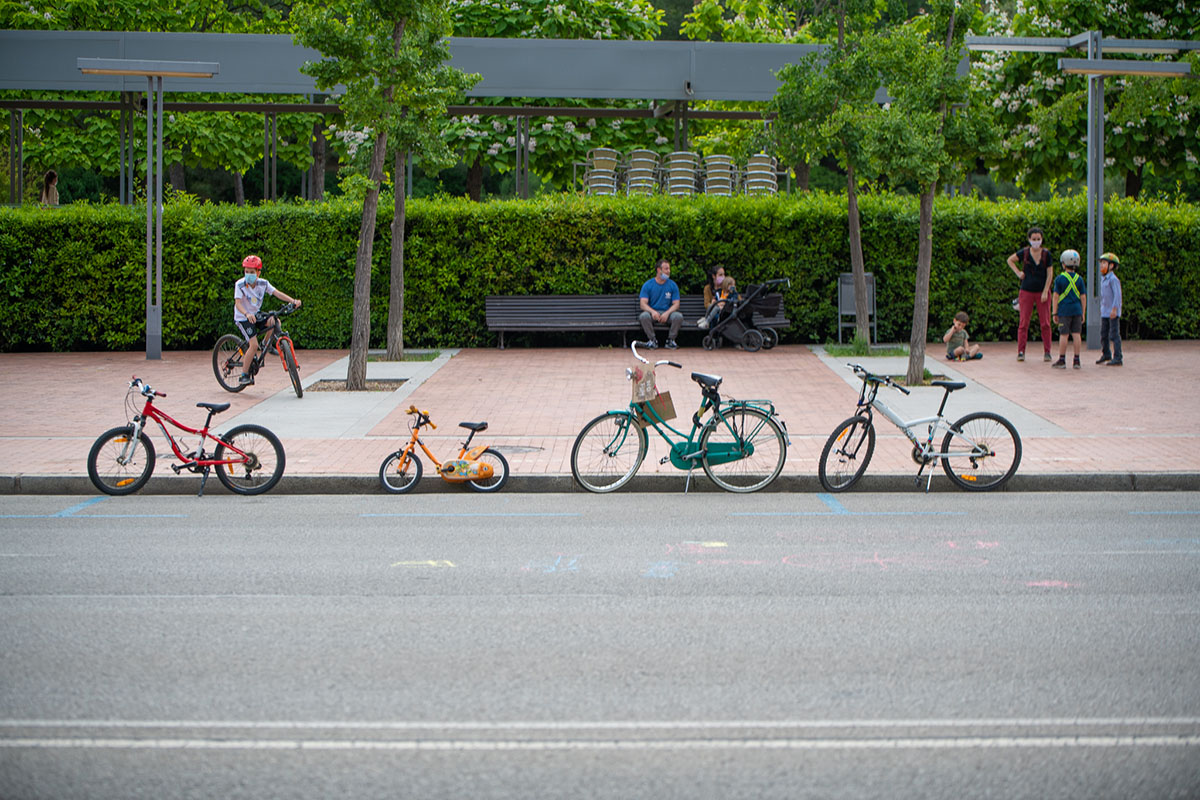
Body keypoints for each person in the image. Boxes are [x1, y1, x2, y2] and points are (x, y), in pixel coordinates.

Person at [234, 254, 301, 385]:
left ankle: (266, 344)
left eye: (252, 272)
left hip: (255, 314)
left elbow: (277, 293)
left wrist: (293, 301)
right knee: (253, 345)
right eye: (246, 272)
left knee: (274, 321)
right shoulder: (240, 285)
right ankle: (244, 375)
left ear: (258, 273)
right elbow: (238, 303)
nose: (248, 275)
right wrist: (247, 314)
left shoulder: (263, 284)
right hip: (243, 317)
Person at [1006, 225, 1054, 362]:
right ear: (1029, 239)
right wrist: (1018, 272)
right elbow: (1010, 260)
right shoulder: (1025, 252)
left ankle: (1047, 351)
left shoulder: (1046, 254)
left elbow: (1050, 273)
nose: (1036, 241)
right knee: (1023, 322)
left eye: (1038, 239)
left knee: (1045, 323)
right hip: (1026, 290)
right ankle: (1021, 351)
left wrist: (1046, 290)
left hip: (1041, 291)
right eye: (1034, 239)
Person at [1050, 249, 1086, 370]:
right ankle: (1076, 360)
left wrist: (1054, 312)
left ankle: (1062, 360)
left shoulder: (1060, 279)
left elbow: (1055, 296)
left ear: (1063, 263)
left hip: (1064, 310)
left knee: (1064, 335)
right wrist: (1083, 312)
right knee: (1077, 334)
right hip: (1077, 310)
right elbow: (1083, 297)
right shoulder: (1079, 279)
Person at [638, 258, 682, 349]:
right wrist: (653, 312)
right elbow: (643, 304)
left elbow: (676, 304)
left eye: (669, 269)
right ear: (659, 270)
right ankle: (652, 340)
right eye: (666, 269)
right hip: (653, 313)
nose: (668, 271)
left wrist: (667, 313)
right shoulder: (648, 285)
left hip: (667, 313)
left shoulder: (672, 285)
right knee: (644, 316)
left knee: (678, 316)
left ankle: (670, 340)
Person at [1097, 252, 1123, 367]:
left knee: (1114, 334)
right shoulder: (1104, 279)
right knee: (1104, 334)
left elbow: (1117, 295)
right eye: (1101, 263)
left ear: (1111, 266)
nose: (1101, 266)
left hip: (1112, 312)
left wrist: (1115, 309)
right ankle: (1106, 353)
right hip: (1105, 312)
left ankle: (1118, 357)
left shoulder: (1113, 279)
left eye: (1104, 263)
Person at [697, 264, 736, 330]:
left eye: (724, 274)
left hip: (725, 310)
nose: (723, 277)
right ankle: (708, 324)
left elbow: (736, 297)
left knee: (717, 316)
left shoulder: (728, 287)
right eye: (720, 275)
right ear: (713, 276)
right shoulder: (708, 288)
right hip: (714, 310)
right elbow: (706, 304)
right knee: (714, 314)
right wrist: (714, 303)